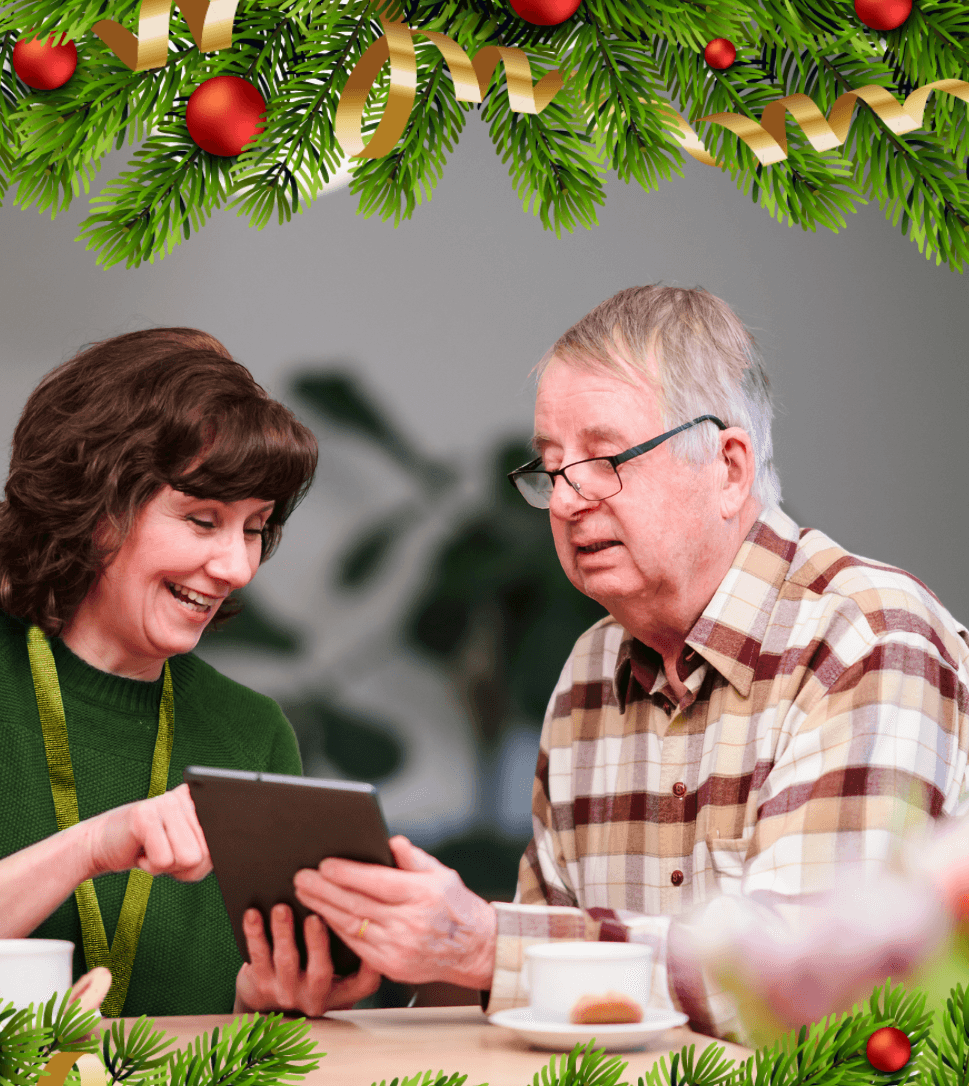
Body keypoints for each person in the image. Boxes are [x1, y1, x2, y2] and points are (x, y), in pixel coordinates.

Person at [247, 285, 969, 1040]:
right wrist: (403, 956)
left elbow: (810, 993)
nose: (566, 499)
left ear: (728, 468)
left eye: (605, 458)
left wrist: (490, 947)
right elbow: (541, 1006)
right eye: (553, 467)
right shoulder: (589, 670)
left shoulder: (868, 638)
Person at [0, 327, 382, 1017]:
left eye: (253, 527)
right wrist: (92, 845)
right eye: (202, 519)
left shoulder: (252, 731)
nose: (238, 568)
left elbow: (227, 1017)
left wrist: (262, 999)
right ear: (97, 507)